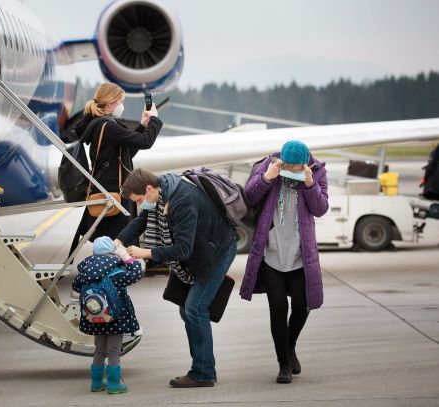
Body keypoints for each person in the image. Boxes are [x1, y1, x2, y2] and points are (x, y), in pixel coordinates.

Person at [115, 168, 237, 388]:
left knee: (195, 308)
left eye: (141, 199)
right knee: (187, 309)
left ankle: (203, 373)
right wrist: (119, 242)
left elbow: (182, 250)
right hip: (203, 249)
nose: (141, 205)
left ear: (149, 188)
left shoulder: (182, 200)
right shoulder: (162, 191)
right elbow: (142, 221)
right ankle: (201, 366)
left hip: (217, 251)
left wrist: (147, 253)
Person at [239, 140, 328, 384]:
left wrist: (309, 184)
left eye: (296, 167)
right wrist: (266, 178)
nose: (292, 169)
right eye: (288, 165)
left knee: (302, 306)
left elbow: (320, 209)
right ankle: (284, 363)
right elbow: (249, 197)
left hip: (300, 256)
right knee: (278, 310)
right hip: (271, 255)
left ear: (305, 162)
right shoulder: (269, 166)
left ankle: (291, 346)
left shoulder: (316, 171)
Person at [69, 83, 163, 254]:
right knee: (118, 238)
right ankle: (119, 268)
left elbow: (127, 154)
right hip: (114, 192)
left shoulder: (99, 124)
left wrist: (143, 126)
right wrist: (154, 120)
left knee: (108, 236)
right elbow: (145, 142)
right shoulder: (109, 126)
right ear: (111, 102)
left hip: (106, 188)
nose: (121, 105)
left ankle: (119, 264)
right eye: (120, 101)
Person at [72, 236, 143, 395]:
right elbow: (137, 273)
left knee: (99, 350)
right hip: (116, 318)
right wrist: (126, 257)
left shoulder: (86, 271)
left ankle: (96, 383)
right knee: (114, 351)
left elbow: (75, 286)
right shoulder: (116, 272)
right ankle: (114, 385)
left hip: (95, 319)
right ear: (113, 253)